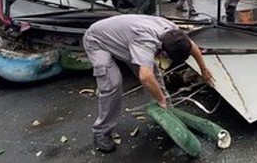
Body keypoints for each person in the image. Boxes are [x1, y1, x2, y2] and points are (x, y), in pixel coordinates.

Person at [83, 14, 214, 152]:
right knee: (113, 83)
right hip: (97, 41)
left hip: (125, 39)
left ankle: (167, 116)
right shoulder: (145, 41)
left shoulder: (175, 34)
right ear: (163, 49)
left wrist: (203, 70)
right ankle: (101, 132)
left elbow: (193, 47)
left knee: (155, 77)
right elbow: (145, 77)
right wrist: (160, 98)